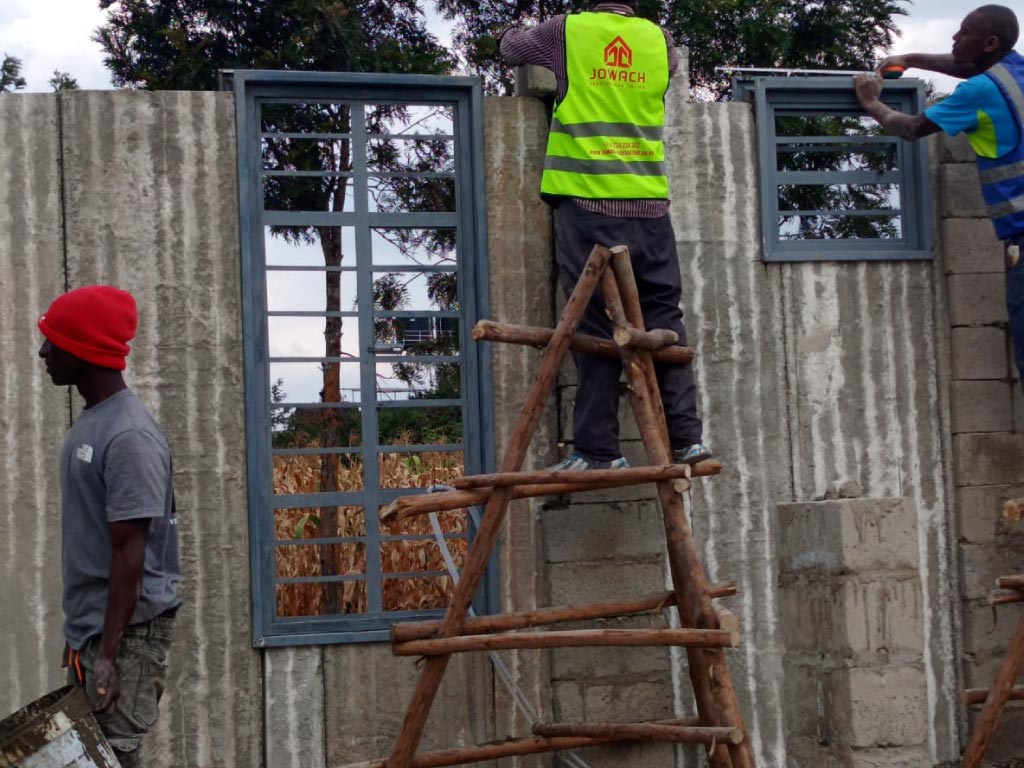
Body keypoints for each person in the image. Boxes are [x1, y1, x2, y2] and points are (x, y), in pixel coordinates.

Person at [501, 0, 712, 470]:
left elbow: (510, 49)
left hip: (588, 202)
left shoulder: (567, 31)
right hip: (650, 205)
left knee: (596, 326)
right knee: (664, 321)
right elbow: (667, 72)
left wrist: (522, 24)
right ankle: (687, 439)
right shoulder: (660, 41)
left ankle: (598, 450)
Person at [38, 285, 181, 768]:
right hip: (98, 632)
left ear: (84, 349)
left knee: (113, 759)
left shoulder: (129, 435)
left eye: (53, 341)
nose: (43, 352)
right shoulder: (93, 422)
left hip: (129, 636)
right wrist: (82, 636)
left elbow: (130, 554)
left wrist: (109, 654)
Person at [854, 4, 1024, 388]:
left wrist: (872, 104)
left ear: (990, 43)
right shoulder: (1015, 72)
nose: (954, 38)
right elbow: (969, 66)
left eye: (964, 33)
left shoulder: (981, 91)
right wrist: (910, 58)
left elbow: (913, 127)